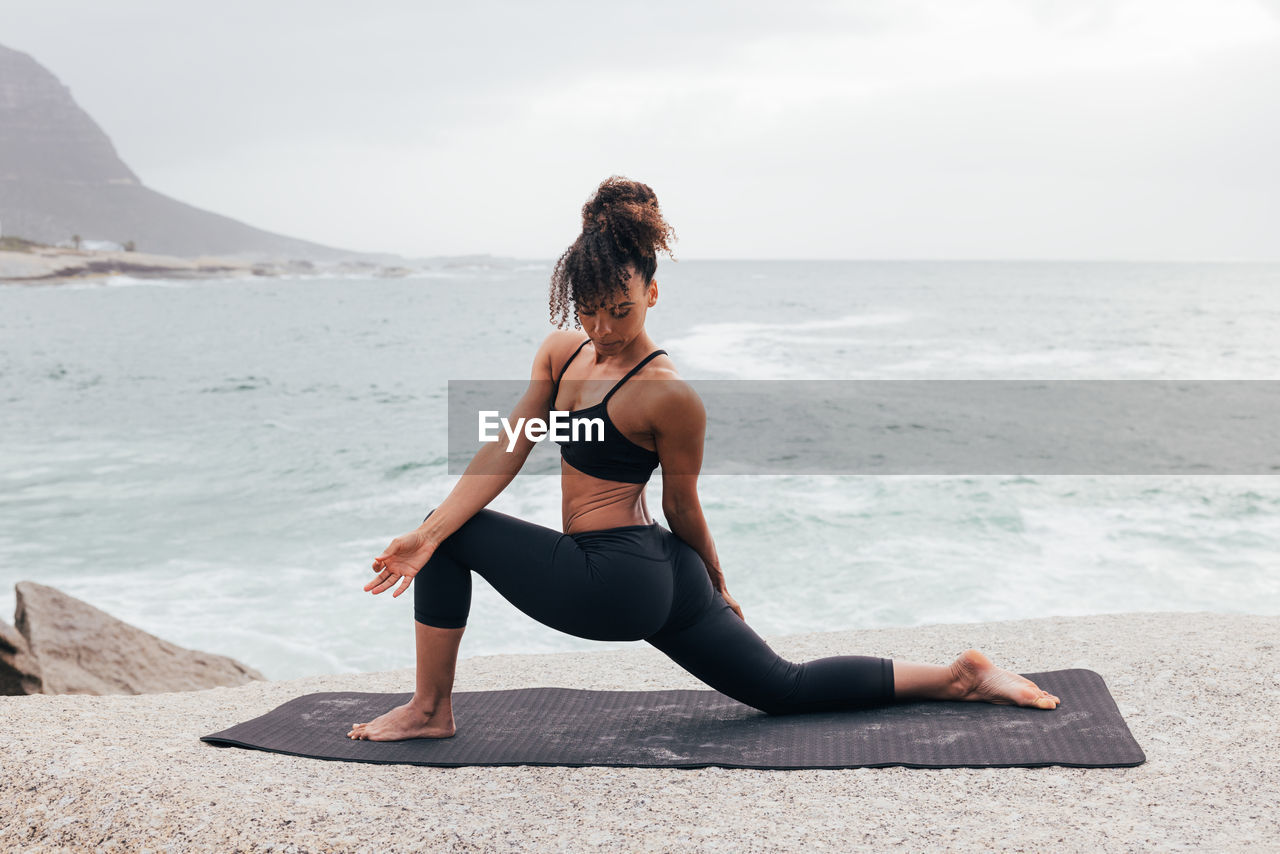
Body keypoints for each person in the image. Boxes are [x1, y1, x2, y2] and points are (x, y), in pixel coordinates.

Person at [347, 176, 1060, 741]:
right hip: (655, 568)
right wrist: (428, 531)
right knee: (783, 689)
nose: (603, 328)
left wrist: (719, 582)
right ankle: (960, 677)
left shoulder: (667, 394)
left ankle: (430, 711)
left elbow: (685, 505)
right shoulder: (559, 353)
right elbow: (507, 444)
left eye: (620, 310)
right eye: (589, 310)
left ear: (651, 292)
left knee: (449, 533)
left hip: (619, 580)